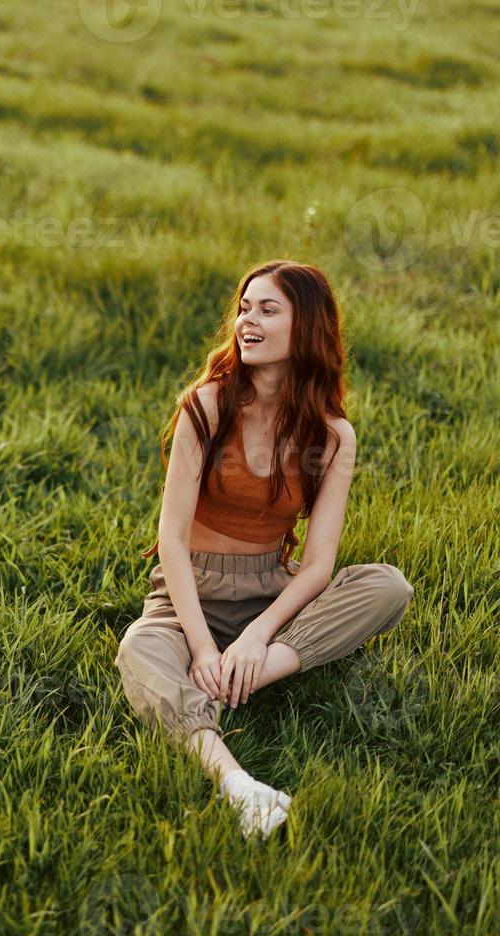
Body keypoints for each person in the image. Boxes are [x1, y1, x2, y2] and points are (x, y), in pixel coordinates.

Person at [116, 259, 414, 838]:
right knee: (138, 648)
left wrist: (257, 637)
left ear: (306, 327)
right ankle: (237, 783)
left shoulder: (331, 436)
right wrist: (203, 649)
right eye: (244, 308)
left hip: (268, 593)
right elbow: (172, 541)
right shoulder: (205, 407)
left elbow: (319, 566)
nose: (247, 320)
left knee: (388, 586)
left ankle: (244, 676)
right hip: (188, 595)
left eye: (268, 310)